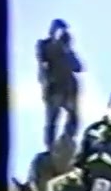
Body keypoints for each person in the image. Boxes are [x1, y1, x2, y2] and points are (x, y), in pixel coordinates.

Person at [35, 19, 83, 151]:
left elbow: (78, 67)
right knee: (52, 119)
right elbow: (42, 64)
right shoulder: (45, 45)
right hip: (54, 87)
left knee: (73, 117)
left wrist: (67, 49)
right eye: (60, 29)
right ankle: (50, 148)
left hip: (70, 88)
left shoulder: (67, 48)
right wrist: (45, 83)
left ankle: (67, 141)